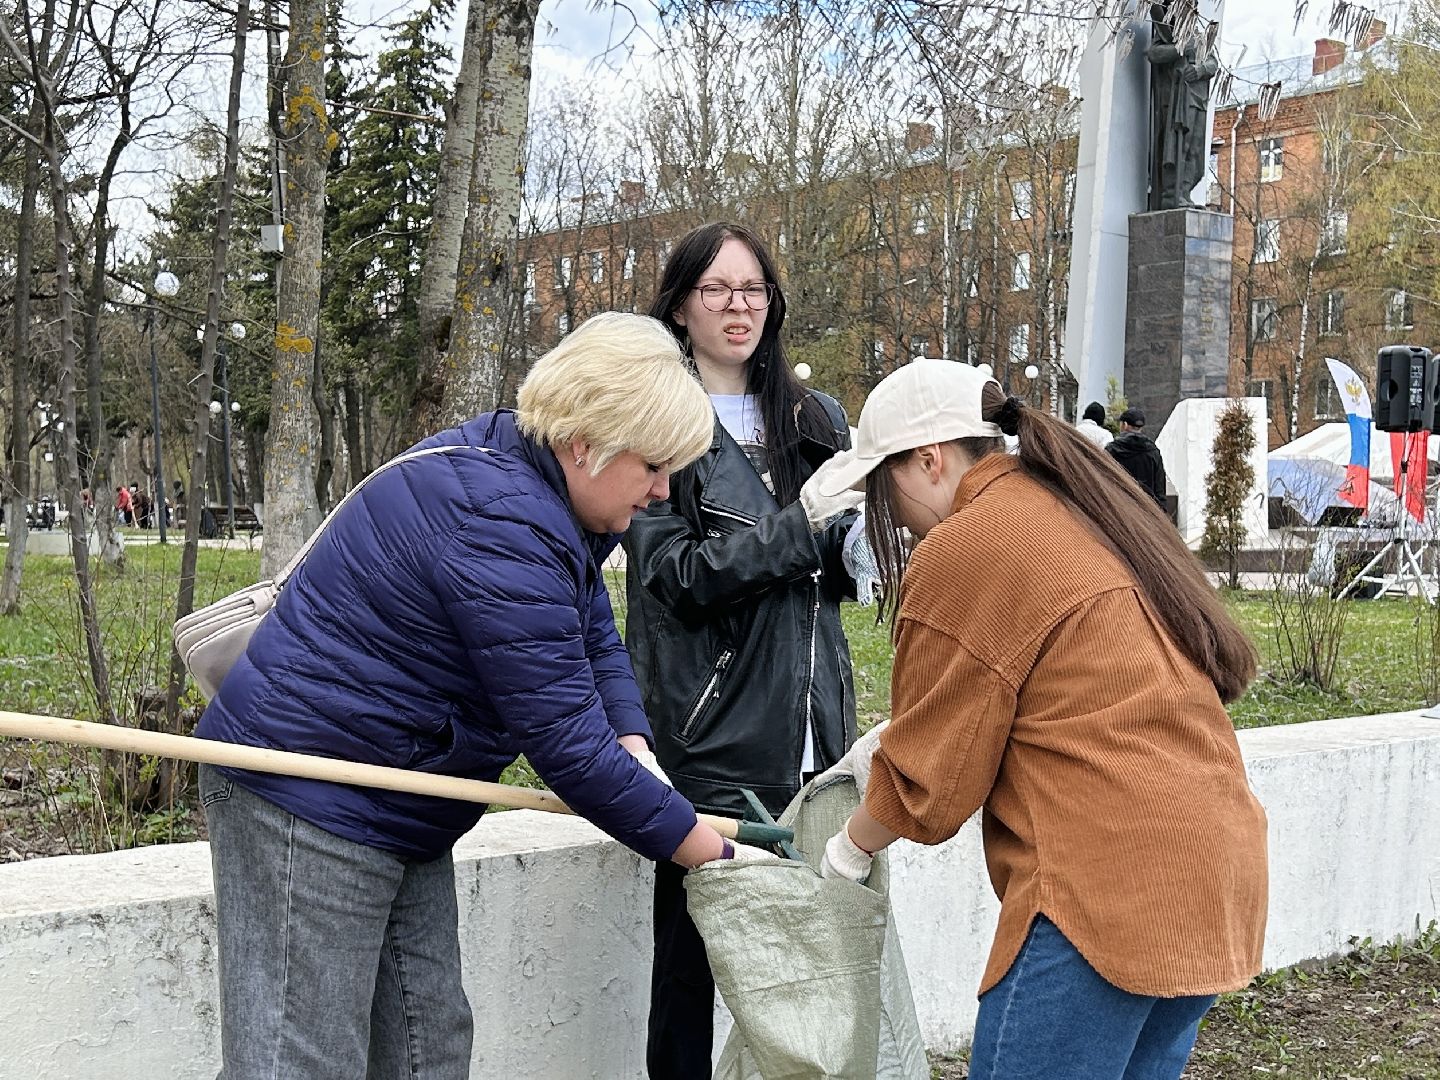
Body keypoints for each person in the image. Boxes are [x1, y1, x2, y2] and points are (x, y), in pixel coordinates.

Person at [194, 313, 766, 1080]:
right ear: (584, 443)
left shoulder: (528, 471)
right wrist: (704, 849)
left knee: (428, 1047)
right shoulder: (498, 517)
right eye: (655, 466)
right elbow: (568, 749)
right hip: (305, 794)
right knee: (299, 1060)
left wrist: (634, 738)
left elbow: (588, 624)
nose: (664, 491)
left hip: (400, 799)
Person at [807, 360, 1268, 1080]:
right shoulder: (1076, 506)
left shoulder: (970, 542)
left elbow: (932, 785)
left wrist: (848, 848)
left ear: (929, 460)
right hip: (1215, 878)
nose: (885, 514)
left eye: (881, 487)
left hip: (1107, 893)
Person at [623, 221, 864, 1078]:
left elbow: (821, 583)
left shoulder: (813, 418)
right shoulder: (655, 422)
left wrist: (855, 552)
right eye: (717, 290)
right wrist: (805, 529)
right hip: (710, 738)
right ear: (680, 307)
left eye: (753, 288)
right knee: (691, 971)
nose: (738, 307)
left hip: (814, 729)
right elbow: (679, 575)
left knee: (811, 965)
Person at [1108, 406, 1168, 508]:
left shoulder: (1112, 450)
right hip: (1147, 510)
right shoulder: (1153, 452)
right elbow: (1159, 488)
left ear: (1125, 425)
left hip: (1118, 508)